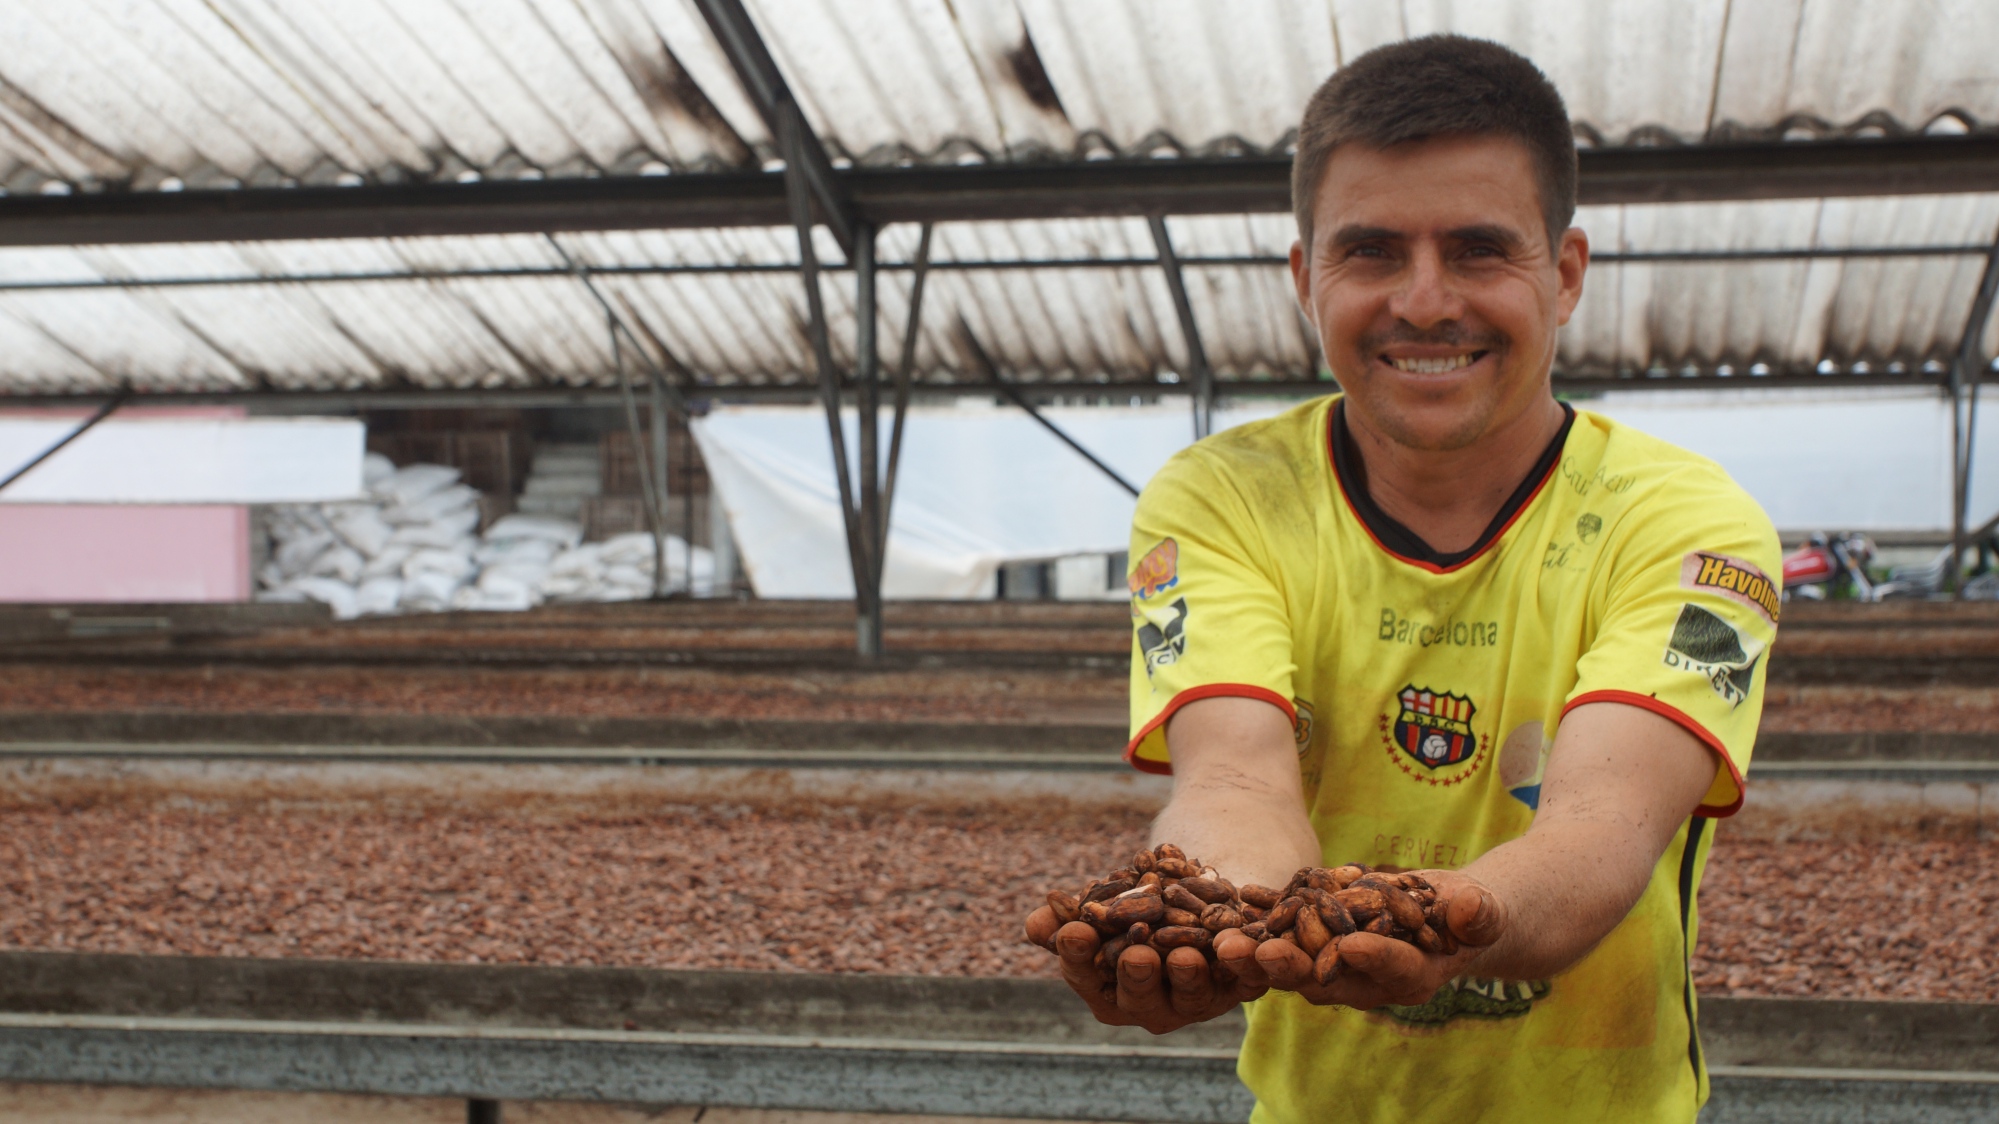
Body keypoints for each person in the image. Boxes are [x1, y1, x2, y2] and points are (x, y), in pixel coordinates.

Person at [1024, 35, 1781, 1123]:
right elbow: (1233, 778)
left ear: (1564, 274)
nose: (1424, 303)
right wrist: (1207, 922)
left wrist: (1439, 919)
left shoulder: (1686, 525)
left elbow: (1603, 822)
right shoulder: (1223, 498)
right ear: (1304, 276)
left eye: (1479, 250)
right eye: (1371, 252)